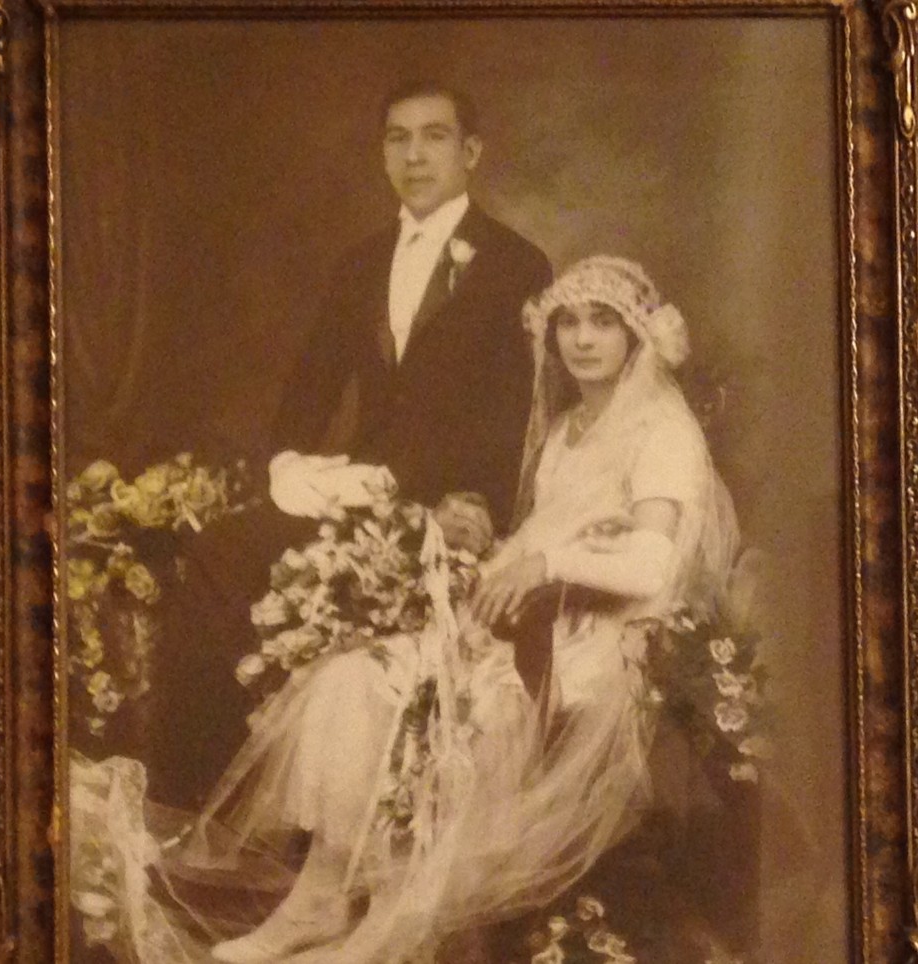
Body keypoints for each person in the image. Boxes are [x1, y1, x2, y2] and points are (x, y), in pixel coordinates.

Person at [175, 255, 741, 964]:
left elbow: (655, 565)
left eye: (604, 322)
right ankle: (320, 897)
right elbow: (547, 534)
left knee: (472, 714)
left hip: (596, 638)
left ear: (637, 336)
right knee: (356, 680)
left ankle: (392, 920)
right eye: (568, 321)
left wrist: (542, 565)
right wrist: (494, 547)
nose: (582, 338)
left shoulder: (661, 430)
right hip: (529, 612)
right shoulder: (569, 429)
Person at [147, 81, 552, 808]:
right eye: (397, 138)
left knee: (319, 593)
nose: (414, 154)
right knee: (222, 553)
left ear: (471, 152)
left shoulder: (517, 264)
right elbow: (310, 386)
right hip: (359, 493)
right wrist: (287, 464)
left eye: (433, 136)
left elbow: (520, 410)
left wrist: (482, 502)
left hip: (446, 504)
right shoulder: (361, 262)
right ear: (382, 154)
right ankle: (194, 798)